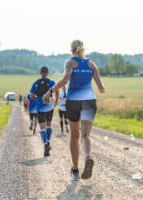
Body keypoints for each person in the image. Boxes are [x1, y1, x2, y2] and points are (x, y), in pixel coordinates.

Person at [43, 40, 105, 180]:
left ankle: (75, 170)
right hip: (89, 100)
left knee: (74, 136)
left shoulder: (70, 62)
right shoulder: (91, 64)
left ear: (72, 50)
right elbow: (101, 89)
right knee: (85, 136)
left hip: (74, 101)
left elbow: (65, 80)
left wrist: (49, 92)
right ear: (84, 50)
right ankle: (88, 157)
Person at [30, 66, 58, 156]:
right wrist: (56, 100)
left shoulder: (36, 83)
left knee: (42, 126)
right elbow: (57, 91)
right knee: (49, 124)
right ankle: (48, 141)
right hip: (50, 106)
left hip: (39, 107)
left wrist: (37, 98)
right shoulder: (52, 82)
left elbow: (31, 95)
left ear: (40, 73)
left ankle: (45, 144)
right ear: (48, 73)